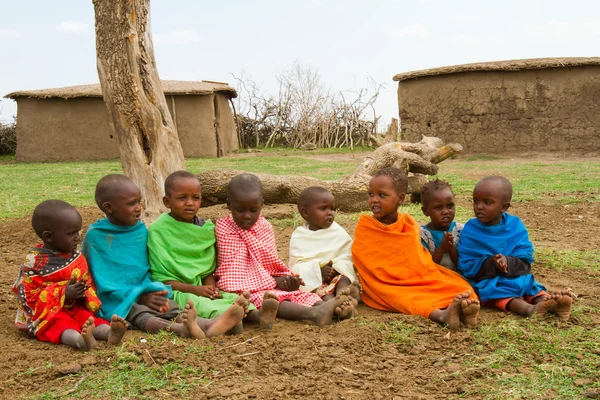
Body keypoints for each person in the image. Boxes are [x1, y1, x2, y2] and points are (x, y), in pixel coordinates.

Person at [82, 174, 247, 340]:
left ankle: (207, 324)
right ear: (109, 208)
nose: (139, 208)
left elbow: (143, 269)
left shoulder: (139, 231)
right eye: (132, 203)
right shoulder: (96, 236)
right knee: (141, 314)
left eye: (139, 202)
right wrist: (137, 296)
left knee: (169, 305)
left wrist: (147, 291)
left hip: (145, 290)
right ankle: (178, 329)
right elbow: (98, 276)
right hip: (117, 299)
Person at [215, 173, 355, 326]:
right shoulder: (224, 228)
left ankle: (332, 309)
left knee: (299, 294)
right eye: (240, 210)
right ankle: (314, 313)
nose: (247, 216)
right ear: (229, 205)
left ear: (262, 204)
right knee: (272, 299)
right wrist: (274, 282)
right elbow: (233, 272)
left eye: (253, 210)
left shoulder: (264, 227)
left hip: (268, 282)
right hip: (240, 289)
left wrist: (287, 280)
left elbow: (270, 264)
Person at [351, 167, 480, 331]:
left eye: (382, 195)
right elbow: (366, 262)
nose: (374, 200)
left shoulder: (408, 225)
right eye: (371, 194)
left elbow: (420, 263)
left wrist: (415, 278)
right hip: (384, 285)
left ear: (401, 199)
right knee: (401, 298)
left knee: (463, 288)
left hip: (418, 278)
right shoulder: (365, 228)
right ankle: (440, 315)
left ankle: (464, 310)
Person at [148, 170, 277, 331]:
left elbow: (207, 268)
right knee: (197, 303)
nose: (190, 203)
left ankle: (256, 316)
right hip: (178, 290)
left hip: (201, 287)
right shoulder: (158, 231)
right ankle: (228, 321)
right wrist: (195, 290)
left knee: (230, 297)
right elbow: (162, 278)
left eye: (195, 198)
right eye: (182, 198)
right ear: (167, 202)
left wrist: (212, 288)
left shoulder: (205, 229)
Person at [13, 200, 127, 350]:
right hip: (51, 314)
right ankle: (79, 340)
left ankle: (109, 333)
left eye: (78, 231)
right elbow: (30, 296)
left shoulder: (76, 257)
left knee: (88, 319)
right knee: (61, 324)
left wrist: (82, 292)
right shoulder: (35, 262)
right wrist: (63, 293)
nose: (78, 237)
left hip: (75, 307)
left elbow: (87, 281)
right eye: (71, 233)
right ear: (48, 237)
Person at [457, 176, 572, 320]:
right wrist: (491, 263)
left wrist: (508, 261)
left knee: (530, 286)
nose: (479, 207)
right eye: (475, 201)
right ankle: (529, 309)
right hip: (488, 280)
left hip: (516, 276)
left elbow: (525, 258)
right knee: (500, 293)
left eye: (487, 202)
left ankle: (551, 304)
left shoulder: (515, 225)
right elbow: (467, 264)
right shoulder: (471, 229)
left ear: (504, 207)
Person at [289, 186, 360, 314]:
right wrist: (318, 270)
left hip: (337, 278)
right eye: (323, 208)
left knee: (344, 278)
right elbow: (296, 267)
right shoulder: (299, 236)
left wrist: (337, 268)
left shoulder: (337, 231)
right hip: (318, 283)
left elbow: (348, 256)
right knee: (323, 294)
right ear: (306, 213)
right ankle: (338, 304)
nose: (330, 213)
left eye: (332, 209)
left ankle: (344, 293)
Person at [419, 179, 463, 271]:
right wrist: (442, 248)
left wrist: (451, 249)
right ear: (425, 211)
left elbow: (462, 265)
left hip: (457, 278)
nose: (446, 212)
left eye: (450, 206)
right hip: (435, 278)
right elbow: (427, 267)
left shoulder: (460, 231)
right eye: (438, 207)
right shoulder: (423, 236)